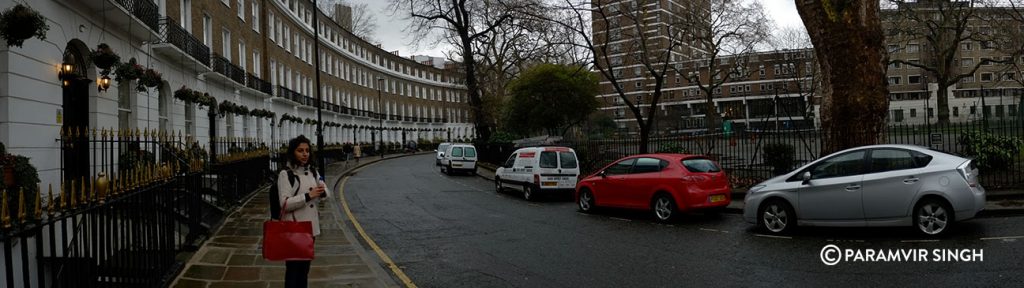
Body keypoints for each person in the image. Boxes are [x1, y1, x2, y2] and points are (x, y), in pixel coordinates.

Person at [277, 135, 327, 288]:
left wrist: (323, 191)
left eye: (307, 150)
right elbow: (284, 203)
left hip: (310, 229)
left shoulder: (312, 171)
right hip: (294, 228)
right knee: (293, 271)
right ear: (293, 153)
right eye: (300, 151)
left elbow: (325, 192)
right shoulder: (286, 174)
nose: (305, 154)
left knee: (304, 271)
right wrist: (308, 196)